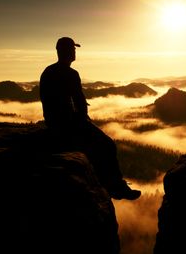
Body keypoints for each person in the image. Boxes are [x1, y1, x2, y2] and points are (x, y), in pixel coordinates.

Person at [39, 37, 141, 200]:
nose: (74, 52)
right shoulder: (70, 74)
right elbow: (78, 101)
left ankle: (109, 184)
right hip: (69, 123)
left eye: (74, 49)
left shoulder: (48, 72)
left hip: (54, 123)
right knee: (107, 145)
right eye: (72, 49)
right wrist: (83, 121)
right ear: (63, 51)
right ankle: (115, 187)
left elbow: (47, 102)